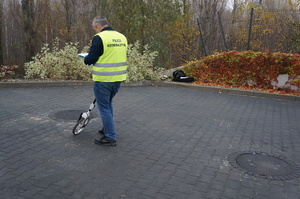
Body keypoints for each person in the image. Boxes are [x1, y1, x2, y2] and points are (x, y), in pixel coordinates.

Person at [84, 16, 128, 146]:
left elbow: (90, 59)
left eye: (94, 29)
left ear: (98, 26)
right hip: (118, 78)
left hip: (104, 79)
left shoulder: (100, 38)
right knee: (108, 104)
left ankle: (110, 137)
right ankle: (107, 129)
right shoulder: (122, 37)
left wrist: (86, 58)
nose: (95, 31)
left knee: (104, 108)